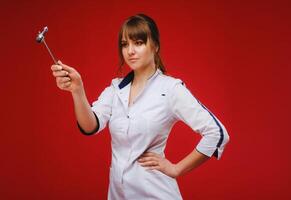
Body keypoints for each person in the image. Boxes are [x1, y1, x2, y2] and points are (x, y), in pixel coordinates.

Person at [51, 14, 229, 200]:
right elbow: (90, 126)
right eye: (125, 44)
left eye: (138, 42)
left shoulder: (170, 89)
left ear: (155, 46)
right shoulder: (115, 89)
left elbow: (217, 133)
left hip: (156, 194)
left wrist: (176, 169)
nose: (130, 51)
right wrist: (77, 90)